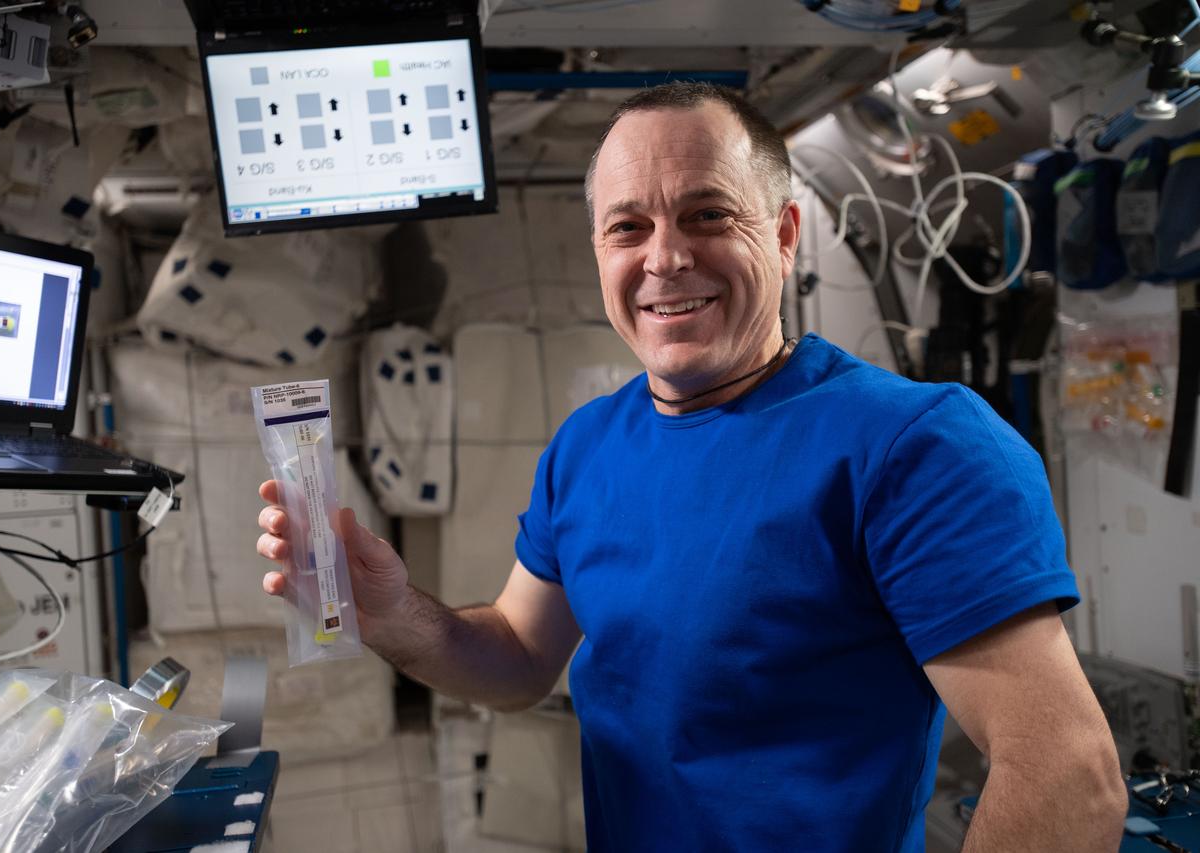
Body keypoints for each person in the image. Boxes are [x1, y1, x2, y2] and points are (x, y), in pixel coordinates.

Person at [256, 83, 1126, 851]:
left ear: (784, 234)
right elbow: (518, 658)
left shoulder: (915, 446)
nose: (665, 257)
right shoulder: (585, 446)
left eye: (708, 214)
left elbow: (1065, 771)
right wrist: (390, 612)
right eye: (627, 226)